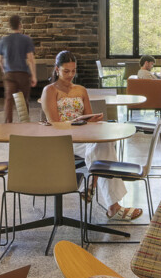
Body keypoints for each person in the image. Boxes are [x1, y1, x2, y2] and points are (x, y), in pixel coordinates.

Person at [40, 52, 139, 223]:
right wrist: (74, 122)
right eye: (66, 71)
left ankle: (96, 190)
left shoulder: (81, 90)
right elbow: (55, 124)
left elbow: (88, 117)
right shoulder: (49, 90)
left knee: (104, 144)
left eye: (73, 71)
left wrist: (91, 119)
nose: (70, 75)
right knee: (102, 147)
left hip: (83, 137)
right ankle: (111, 203)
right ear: (57, 70)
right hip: (62, 140)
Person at [0, 15, 36, 123]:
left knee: (9, 99)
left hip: (9, 74)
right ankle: (24, 122)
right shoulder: (26, 39)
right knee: (24, 100)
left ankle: (8, 123)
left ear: (10, 25)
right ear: (20, 24)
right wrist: (34, 76)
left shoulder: (3, 40)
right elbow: (31, 59)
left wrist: (5, 71)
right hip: (23, 74)